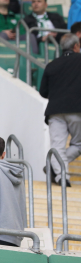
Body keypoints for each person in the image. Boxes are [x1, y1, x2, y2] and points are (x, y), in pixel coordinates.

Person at [39, 33, 81, 186]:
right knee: (79, 144)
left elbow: (43, 92)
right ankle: (55, 168)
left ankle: (62, 176)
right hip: (77, 109)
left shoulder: (52, 65)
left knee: (57, 146)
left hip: (55, 110)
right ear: (76, 46)